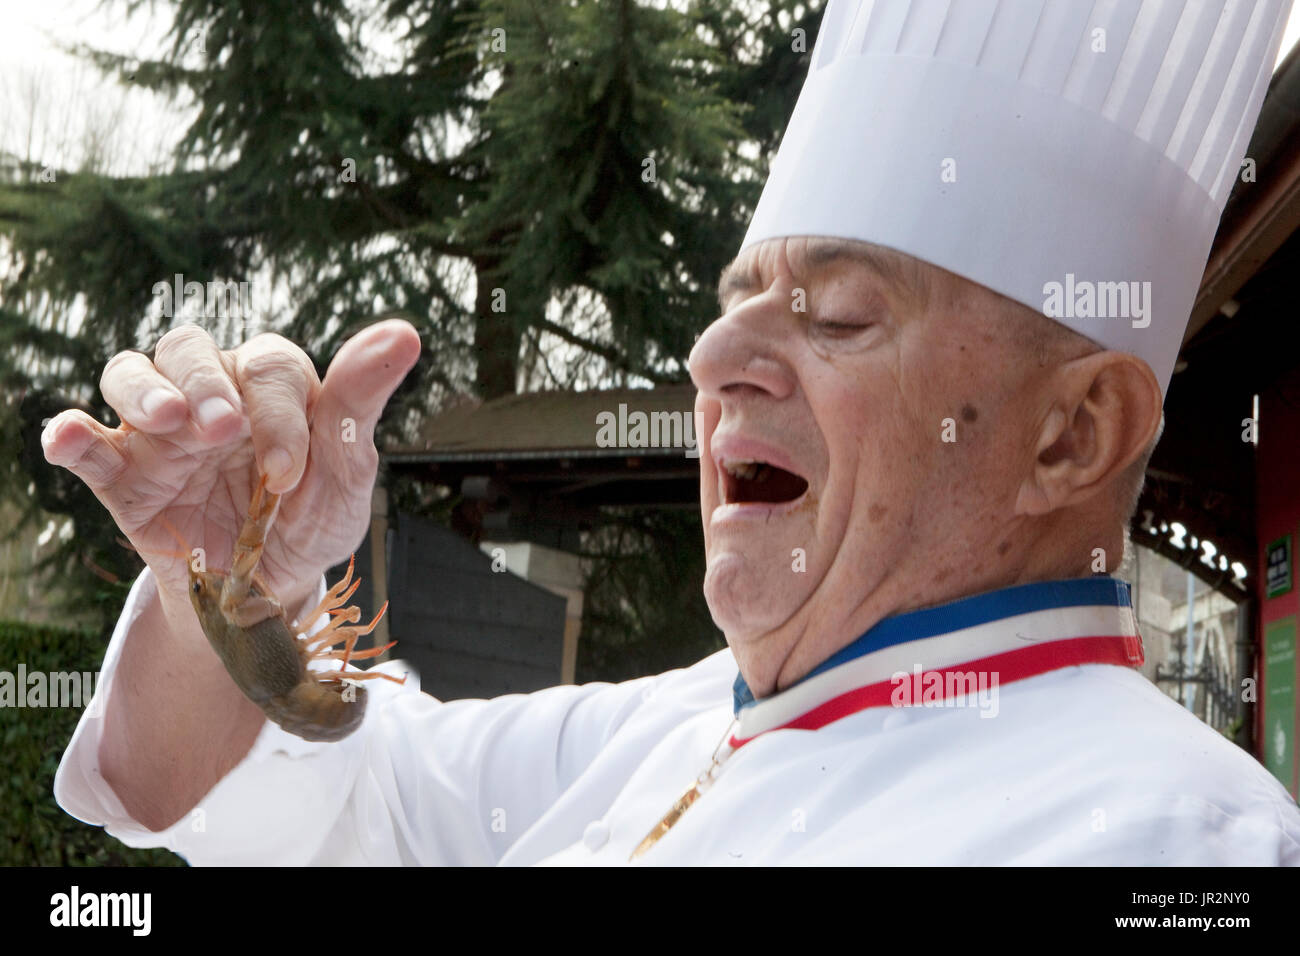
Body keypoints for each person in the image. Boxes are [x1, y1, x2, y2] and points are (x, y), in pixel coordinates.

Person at [49, 0, 1300, 864]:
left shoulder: (1168, 839)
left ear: (1072, 436)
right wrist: (235, 583)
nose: (711, 361)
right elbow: (277, 801)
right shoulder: (669, 728)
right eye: (730, 305)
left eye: (842, 316)